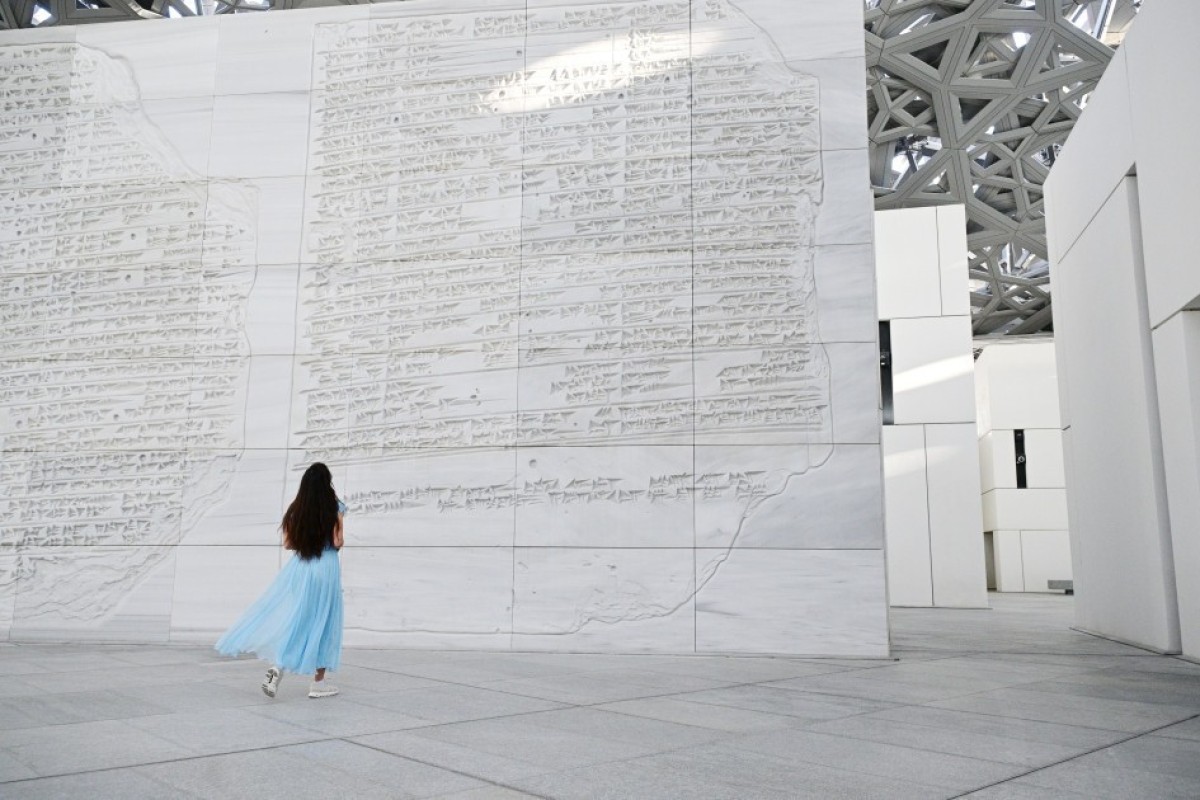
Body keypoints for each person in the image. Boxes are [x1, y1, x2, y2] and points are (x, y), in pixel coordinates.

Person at [216, 462, 344, 699]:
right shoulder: (335, 507)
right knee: (324, 623)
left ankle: (278, 667)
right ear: (327, 483)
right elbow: (337, 543)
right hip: (326, 569)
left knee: (298, 619)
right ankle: (318, 683)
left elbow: (288, 544)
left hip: (302, 567)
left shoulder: (295, 510)